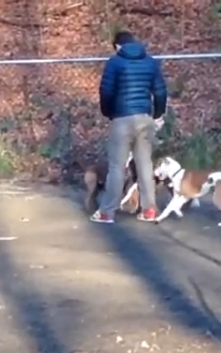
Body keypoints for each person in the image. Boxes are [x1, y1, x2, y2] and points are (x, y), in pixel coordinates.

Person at [89, 31, 167, 224]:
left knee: (117, 166)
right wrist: (157, 114)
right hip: (145, 117)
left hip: (122, 118)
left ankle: (107, 212)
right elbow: (160, 91)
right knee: (145, 165)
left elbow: (106, 91)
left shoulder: (115, 62)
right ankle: (149, 210)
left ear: (117, 46)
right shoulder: (150, 61)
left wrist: (108, 113)